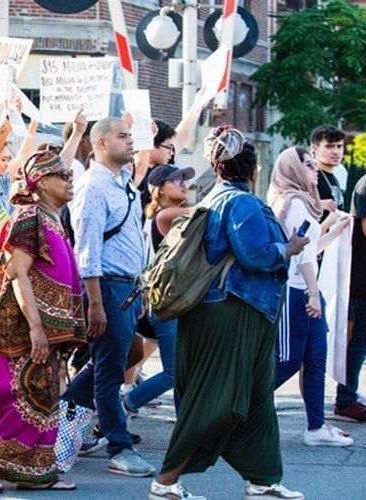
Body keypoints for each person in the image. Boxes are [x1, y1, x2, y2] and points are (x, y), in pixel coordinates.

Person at [149, 127, 307, 500]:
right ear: (253, 171)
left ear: (217, 167)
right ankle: (166, 482)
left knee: (255, 399)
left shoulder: (213, 198)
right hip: (232, 311)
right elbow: (256, 255)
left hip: (231, 310)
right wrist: (290, 248)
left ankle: (264, 477)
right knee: (215, 400)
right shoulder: (242, 203)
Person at [0, 150, 86, 492]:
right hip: (23, 326)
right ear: (41, 183)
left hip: (50, 328)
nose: (69, 179)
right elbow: (17, 273)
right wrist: (36, 326)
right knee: (22, 396)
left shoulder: (54, 219)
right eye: (61, 175)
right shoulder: (28, 216)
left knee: (45, 396)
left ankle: (36, 474)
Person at [62, 117, 154, 477]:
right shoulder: (93, 186)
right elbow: (87, 250)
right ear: (99, 143)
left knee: (110, 362)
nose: (130, 141)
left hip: (126, 287)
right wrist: (95, 302)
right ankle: (119, 446)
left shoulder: (122, 183)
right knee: (110, 369)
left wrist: (139, 286)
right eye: (122, 135)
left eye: (131, 135)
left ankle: (65, 413)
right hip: (107, 288)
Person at [267, 146, 353, 446]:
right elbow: (299, 257)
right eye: (307, 164)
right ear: (292, 169)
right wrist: (314, 295)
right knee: (289, 361)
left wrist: (334, 231)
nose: (314, 168)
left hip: (305, 289)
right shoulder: (292, 202)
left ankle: (316, 427)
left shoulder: (305, 202)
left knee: (315, 360)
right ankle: (235, 411)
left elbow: (309, 249)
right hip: (295, 292)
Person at [122, 165, 194, 418]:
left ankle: (185, 423)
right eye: (176, 180)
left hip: (164, 300)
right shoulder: (166, 215)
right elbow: (208, 212)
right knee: (173, 373)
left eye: (184, 179)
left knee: (182, 370)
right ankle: (124, 407)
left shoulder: (159, 215)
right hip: (163, 301)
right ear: (159, 189)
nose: (184, 184)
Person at [334, 169, 366, 421]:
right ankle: (345, 400)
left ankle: (350, 395)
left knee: (363, 342)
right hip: (365, 279)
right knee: (360, 342)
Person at [310, 125, 347, 214]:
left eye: (339, 146)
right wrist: (318, 204)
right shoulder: (310, 176)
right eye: (329, 146)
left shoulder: (334, 177)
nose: (336, 152)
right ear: (315, 148)